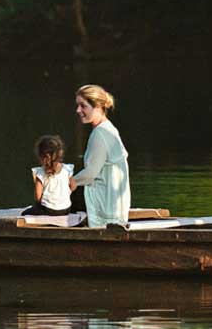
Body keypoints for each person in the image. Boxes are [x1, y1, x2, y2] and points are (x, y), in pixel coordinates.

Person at [70, 84, 131, 229]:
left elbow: (90, 173)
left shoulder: (100, 134)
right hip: (115, 206)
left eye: (83, 106)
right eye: (78, 105)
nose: (78, 110)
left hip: (106, 209)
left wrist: (69, 182)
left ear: (97, 107)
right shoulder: (109, 129)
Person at [23, 134, 76, 216]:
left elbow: (38, 196)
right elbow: (73, 186)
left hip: (48, 210)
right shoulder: (67, 169)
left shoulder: (40, 172)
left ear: (41, 156)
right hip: (66, 209)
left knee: (25, 213)